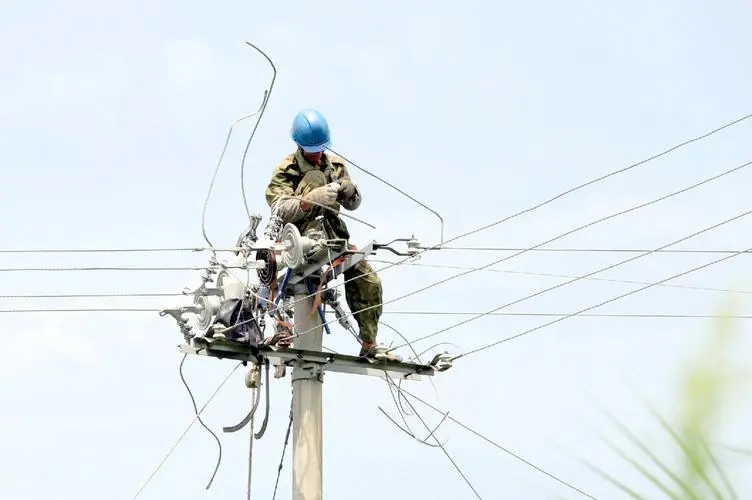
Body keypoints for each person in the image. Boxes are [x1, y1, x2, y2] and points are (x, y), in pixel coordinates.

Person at [264, 108, 400, 361]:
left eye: (320, 148)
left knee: (370, 282)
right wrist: (307, 200)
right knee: (315, 177)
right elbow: (278, 210)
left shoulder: (336, 165)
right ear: (299, 145)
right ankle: (287, 328)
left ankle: (369, 343)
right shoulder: (287, 170)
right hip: (300, 238)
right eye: (311, 149)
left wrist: (350, 190)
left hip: (334, 236)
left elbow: (354, 204)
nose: (317, 154)